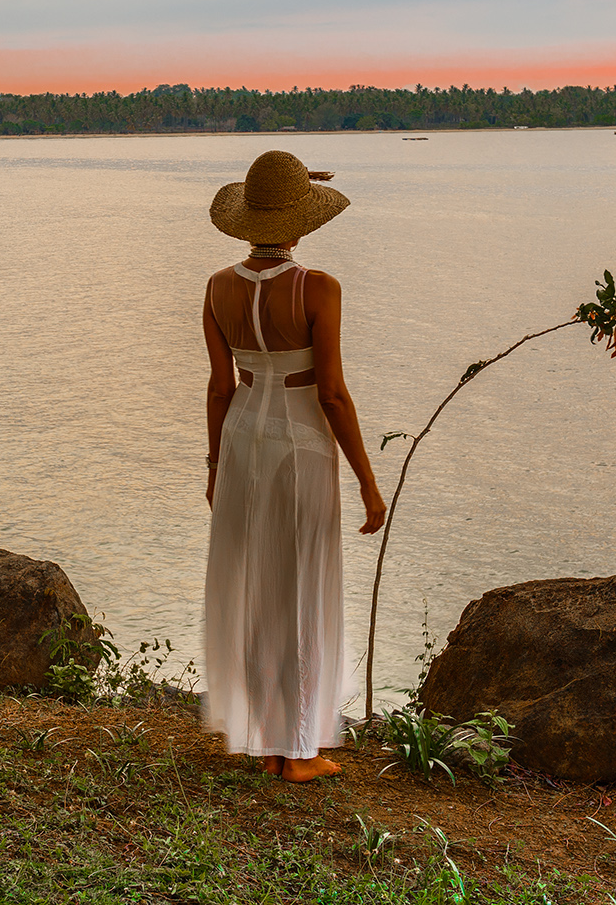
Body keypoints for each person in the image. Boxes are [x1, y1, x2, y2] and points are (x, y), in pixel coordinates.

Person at [201, 149, 387, 784]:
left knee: (258, 584)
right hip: (302, 442)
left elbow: (219, 388)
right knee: (302, 582)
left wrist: (214, 464)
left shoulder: (219, 286)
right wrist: (366, 479)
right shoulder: (319, 288)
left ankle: (267, 737)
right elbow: (331, 393)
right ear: (301, 223)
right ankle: (299, 751)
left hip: (244, 437)